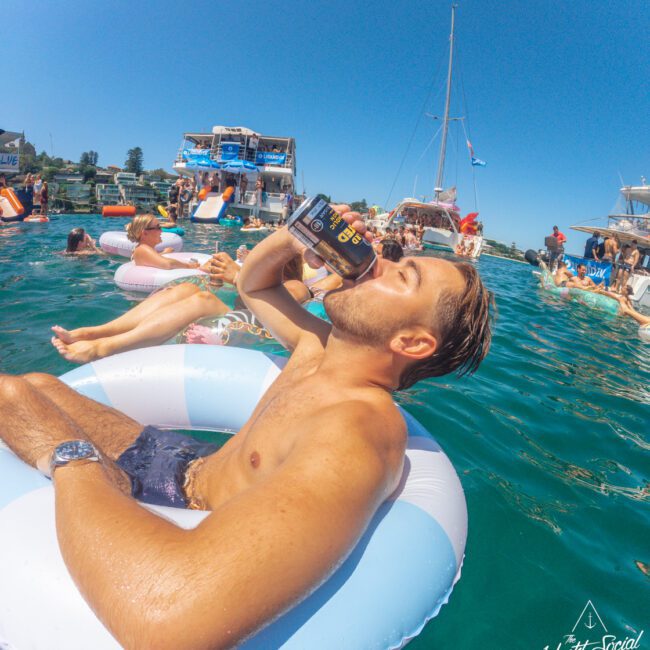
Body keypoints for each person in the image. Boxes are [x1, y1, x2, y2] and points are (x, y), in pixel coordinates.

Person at [3, 206, 493, 649]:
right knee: (40, 384)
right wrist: (296, 236)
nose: (375, 259)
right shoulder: (318, 348)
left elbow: (168, 620)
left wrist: (71, 456)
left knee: (12, 398)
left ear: (411, 341)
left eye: (400, 274)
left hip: (176, 506)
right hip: (184, 460)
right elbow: (254, 285)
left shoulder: (358, 430)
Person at [126, 214, 207, 270]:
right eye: (158, 227)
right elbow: (167, 264)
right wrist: (189, 266)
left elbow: (151, 259)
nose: (161, 231)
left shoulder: (142, 249)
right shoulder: (142, 248)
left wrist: (163, 253)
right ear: (145, 233)